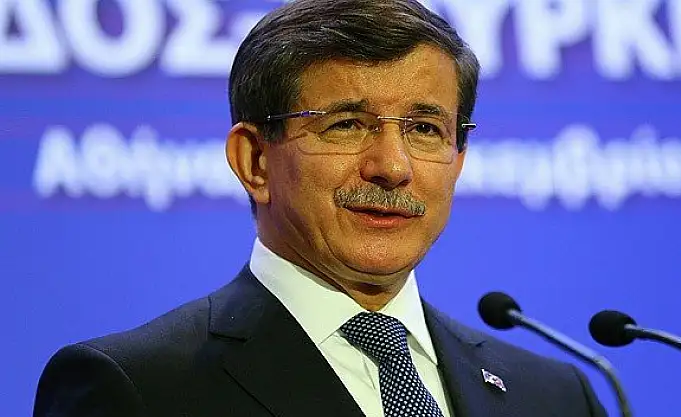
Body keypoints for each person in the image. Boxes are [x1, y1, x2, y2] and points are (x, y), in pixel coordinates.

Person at [33, 1, 607, 416]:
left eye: (425, 129)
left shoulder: (554, 396)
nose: (392, 166)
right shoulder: (136, 387)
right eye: (347, 125)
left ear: (458, 159)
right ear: (255, 161)